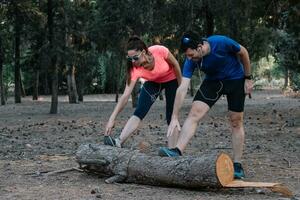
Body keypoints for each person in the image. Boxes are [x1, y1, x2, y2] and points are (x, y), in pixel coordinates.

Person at [158, 31, 253, 179]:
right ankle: (177, 150)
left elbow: (244, 53)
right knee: (194, 113)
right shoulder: (191, 61)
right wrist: (175, 116)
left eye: (192, 54)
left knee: (236, 121)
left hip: (235, 79)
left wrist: (248, 78)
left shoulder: (221, 42)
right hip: (213, 82)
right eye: (187, 56)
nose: (190, 58)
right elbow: (182, 88)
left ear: (200, 46)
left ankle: (237, 165)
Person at [104, 36, 182, 148]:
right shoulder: (134, 70)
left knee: (171, 115)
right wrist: (112, 118)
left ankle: (172, 150)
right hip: (153, 83)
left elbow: (175, 65)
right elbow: (125, 96)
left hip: (171, 81)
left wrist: (180, 86)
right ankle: (119, 141)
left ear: (144, 52)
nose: (133, 62)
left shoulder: (160, 51)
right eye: (130, 59)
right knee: (139, 111)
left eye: (135, 58)